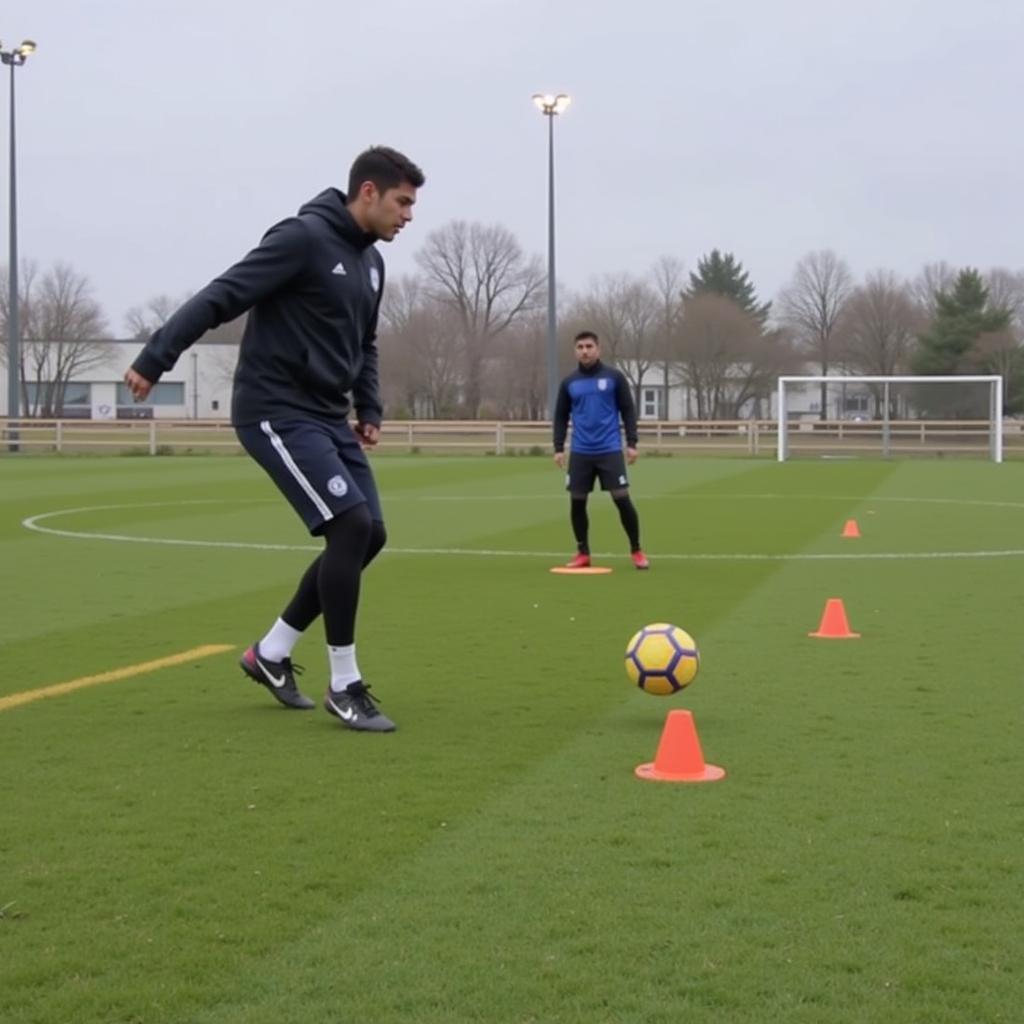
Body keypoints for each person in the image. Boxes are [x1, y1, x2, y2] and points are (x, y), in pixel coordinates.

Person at [124, 146, 425, 732]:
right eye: (402, 202)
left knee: (370, 535)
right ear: (368, 192)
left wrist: (369, 407)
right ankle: (345, 684)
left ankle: (271, 653)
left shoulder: (372, 264)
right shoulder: (302, 238)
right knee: (350, 525)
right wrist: (156, 357)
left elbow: (364, 343)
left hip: (328, 415)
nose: (408, 216)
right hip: (275, 410)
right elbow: (221, 295)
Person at [552, 330, 649, 570]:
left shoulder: (614, 377)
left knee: (622, 500)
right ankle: (583, 553)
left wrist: (632, 443)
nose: (585, 351)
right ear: (575, 351)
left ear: (598, 349)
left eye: (589, 346)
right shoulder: (569, 383)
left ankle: (636, 550)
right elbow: (560, 417)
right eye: (580, 347)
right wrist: (558, 447)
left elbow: (627, 410)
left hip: (609, 450)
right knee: (577, 502)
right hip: (580, 452)